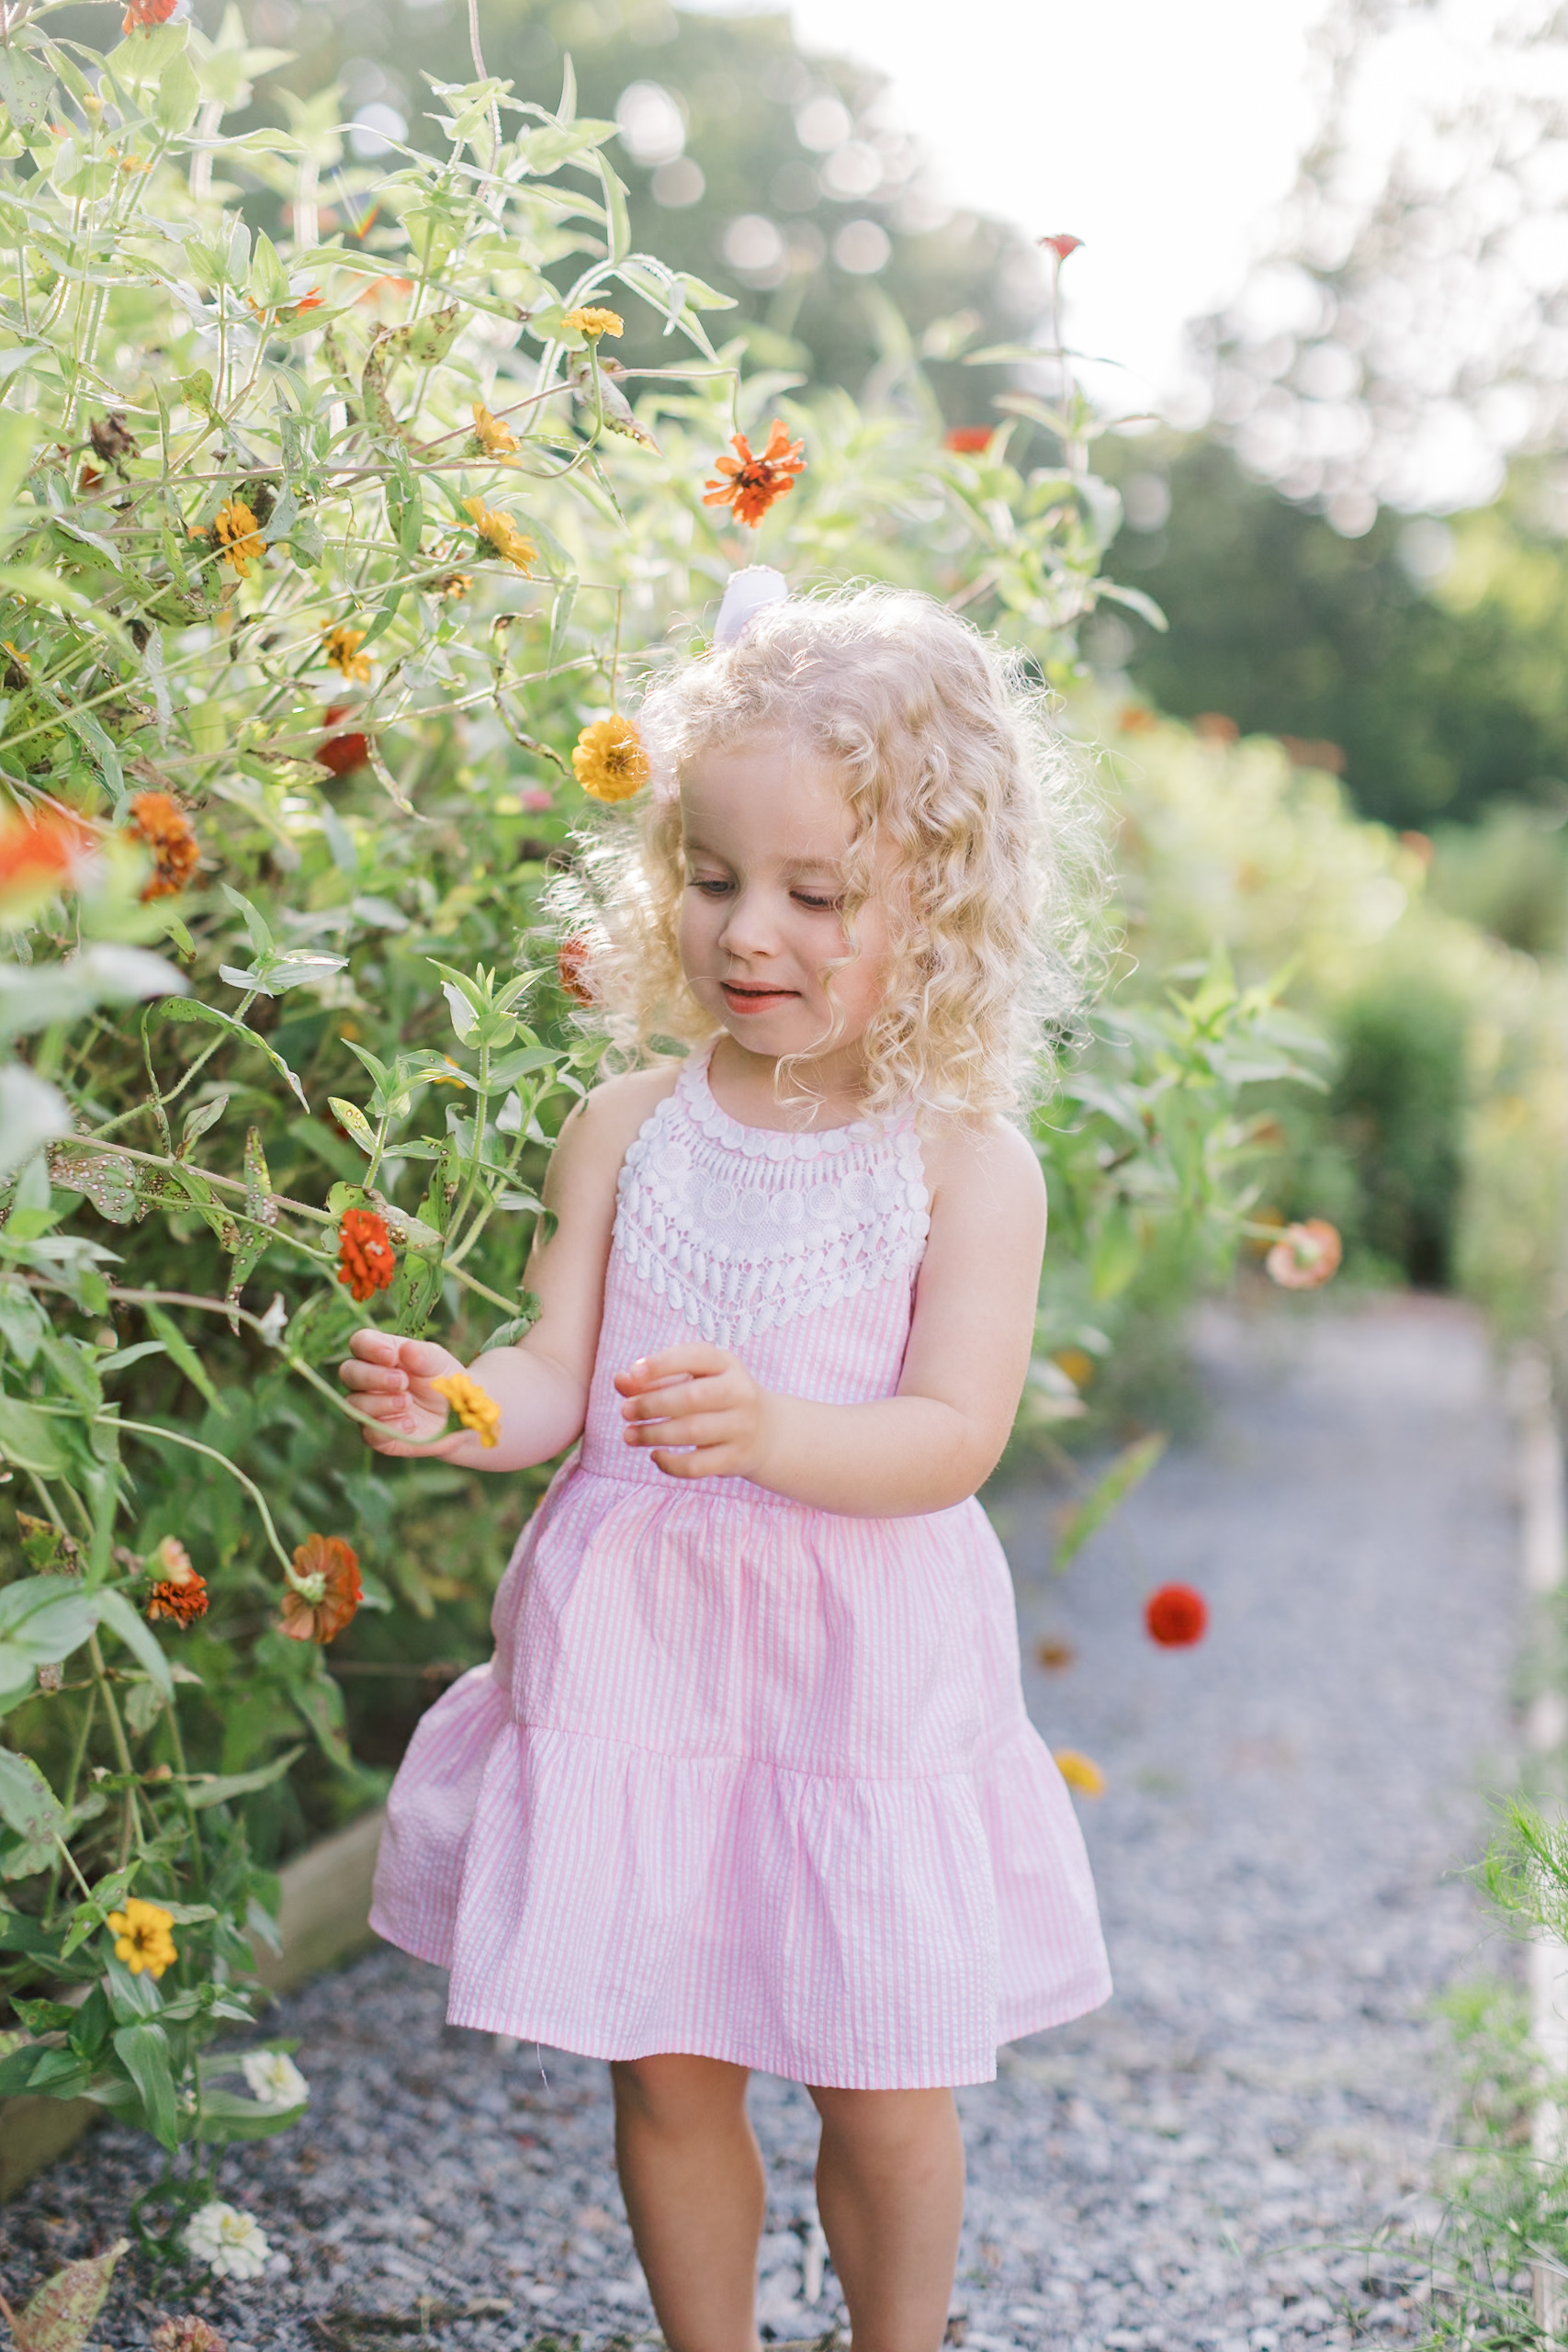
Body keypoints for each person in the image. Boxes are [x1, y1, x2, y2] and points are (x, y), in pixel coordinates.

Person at [340, 582, 1111, 2352]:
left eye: (816, 894)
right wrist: (464, 1405)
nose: (748, 929)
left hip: (856, 1684)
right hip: (646, 1671)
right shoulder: (627, 1126)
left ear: (944, 905)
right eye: (709, 877)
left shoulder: (964, 1165)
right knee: (671, 2073)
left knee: (880, 2080)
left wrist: (775, 1434)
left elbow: (951, 1438)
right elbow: (558, 1370)